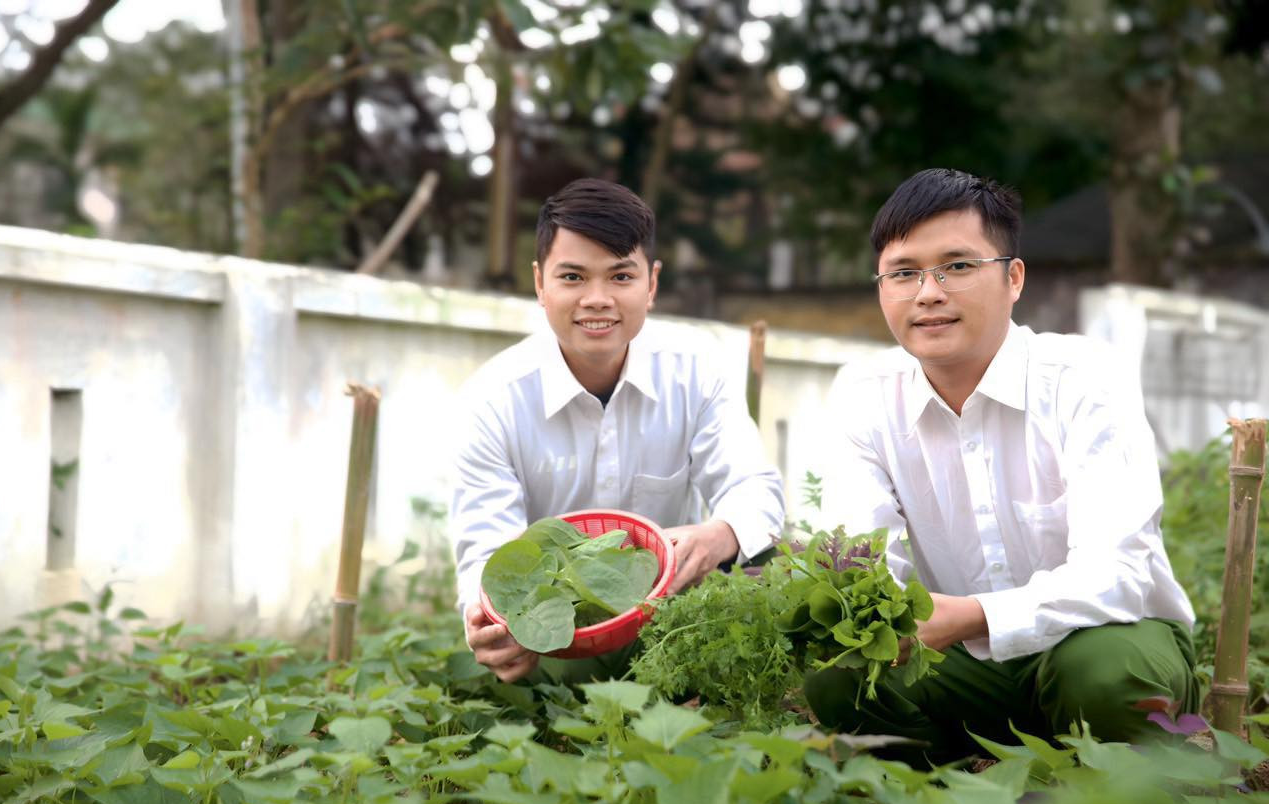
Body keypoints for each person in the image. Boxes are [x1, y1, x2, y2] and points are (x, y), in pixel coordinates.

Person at [807, 168, 1198, 765]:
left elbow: (1116, 574)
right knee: (841, 674)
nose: (928, 293)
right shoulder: (863, 394)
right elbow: (865, 569)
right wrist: (884, 618)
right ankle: (938, 796)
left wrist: (971, 615)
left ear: (1013, 278)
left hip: (1107, 639)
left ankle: (1118, 797)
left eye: (957, 267)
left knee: (1102, 676)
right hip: (958, 664)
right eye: (904, 272)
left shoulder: (1084, 377)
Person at [450, 178, 785, 684]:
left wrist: (721, 533)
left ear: (651, 284)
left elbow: (753, 486)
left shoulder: (696, 372)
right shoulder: (492, 399)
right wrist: (492, 621)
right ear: (540, 283)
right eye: (573, 277)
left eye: (620, 277)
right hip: (554, 640)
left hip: (674, 625)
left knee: (781, 557)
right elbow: (485, 550)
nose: (597, 299)